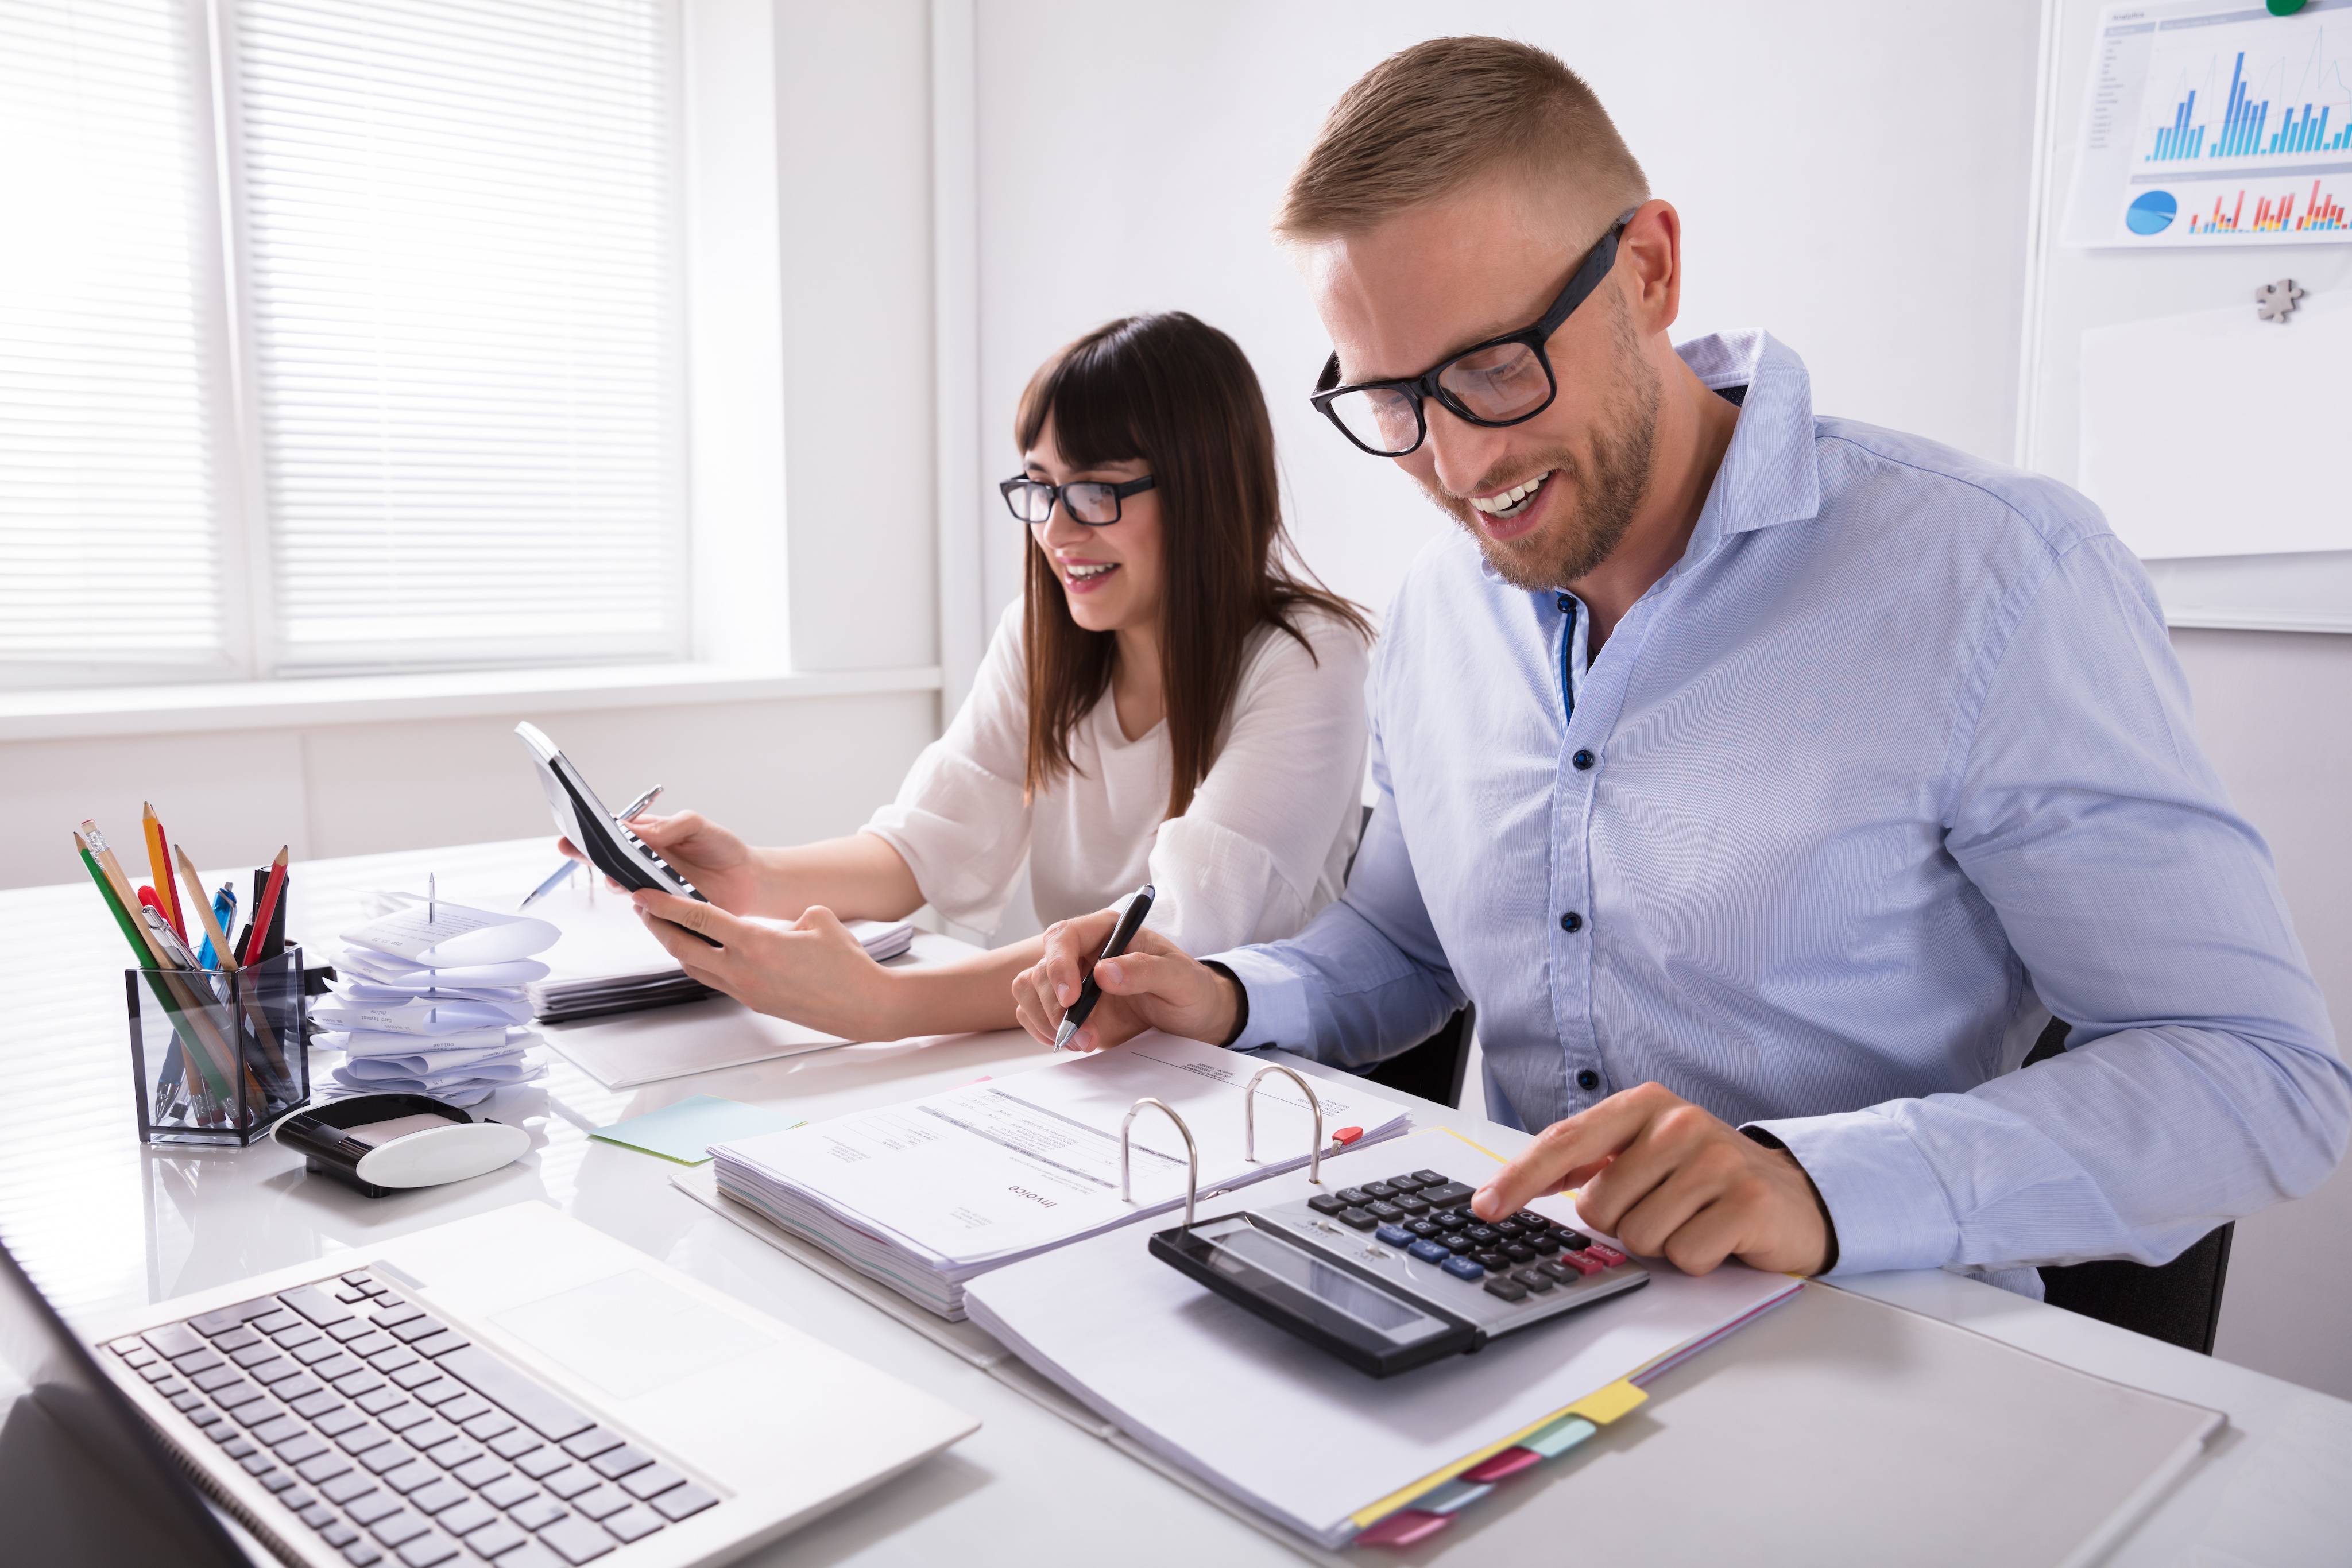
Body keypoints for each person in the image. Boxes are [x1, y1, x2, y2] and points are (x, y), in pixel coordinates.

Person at [1012, 38, 2349, 1292]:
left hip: (1872, 1347)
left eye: (1490, 366)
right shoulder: (1435, 615)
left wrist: (1812, 1180)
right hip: (1514, 1302)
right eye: (1389, 399)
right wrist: (1228, 990)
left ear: (1648, 270)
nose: (1457, 460)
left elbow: (2259, 1075)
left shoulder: (1994, 580)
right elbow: (1402, 945)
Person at [590, 312, 1372, 1042]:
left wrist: (883, 1005)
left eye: (1098, 491)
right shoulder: (1043, 638)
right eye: (1040, 488)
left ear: (1206, 489)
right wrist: (751, 879)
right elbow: (924, 846)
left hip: (1254, 1087)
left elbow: (1174, 932)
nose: (1057, 532)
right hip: (1087, 1061)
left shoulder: (1309, 657)